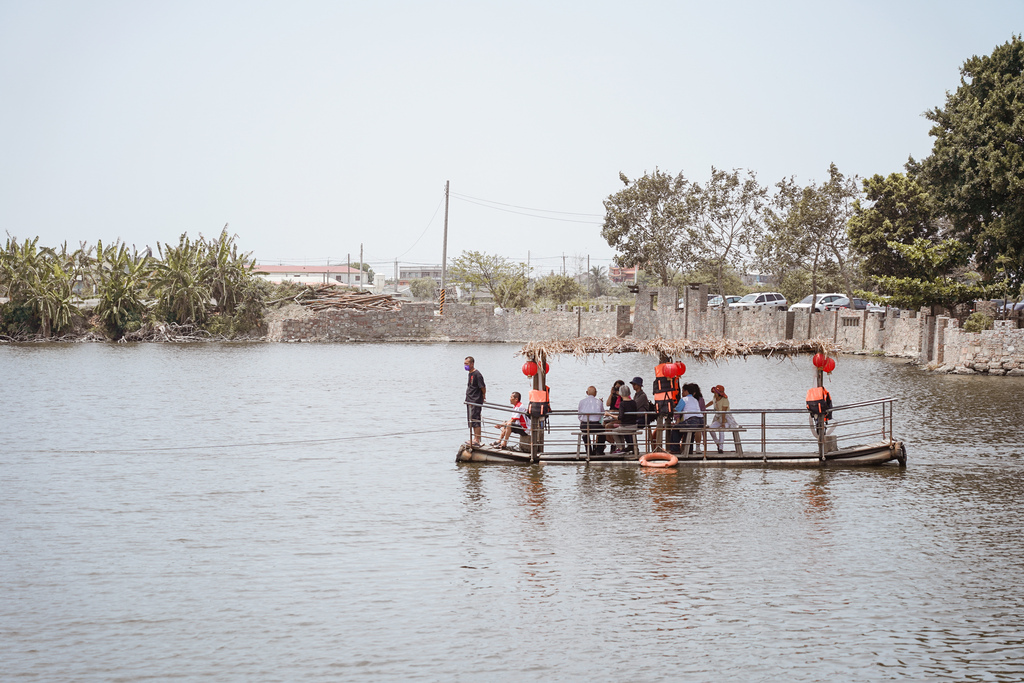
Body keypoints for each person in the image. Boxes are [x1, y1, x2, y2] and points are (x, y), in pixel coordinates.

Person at [707, 385, 739, 454]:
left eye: (715, 393)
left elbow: (724, 412)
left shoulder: (725, 400)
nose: (714, 394)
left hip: (727, 419)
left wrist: (723, 423)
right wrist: (705, 406)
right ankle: (717, 443)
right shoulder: (715, 398)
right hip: (718, 418)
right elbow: (712, 401)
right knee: (710, 428)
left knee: (721, 429)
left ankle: (721, 448)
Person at [672, 384, 703, 455]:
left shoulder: (684, 399)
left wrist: (670, 408)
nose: (682, 393)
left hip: (692, 421)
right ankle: (689, 450)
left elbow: (677, 410)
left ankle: (675, 449)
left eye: (683, 391)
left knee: (675, 428)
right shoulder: (695, 400)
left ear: (686, 391)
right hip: (701, 421)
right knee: (689, 431)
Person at [577, 386, 605, 455]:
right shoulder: (599, 402)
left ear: (587, 393)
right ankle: (599, 450)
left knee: (585, 434)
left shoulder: (581, 402)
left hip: (584, 425)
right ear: (595, 393)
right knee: (603, 433)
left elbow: (579, 416)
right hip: (595, 425)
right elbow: (602, 414)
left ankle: (588, 451)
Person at [465, 356, 486, 446]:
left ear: (472, 364)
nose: (466, 365)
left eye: (467, 364)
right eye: (465, 364)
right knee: (471, 420)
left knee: (476, 419)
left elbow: (482, 387)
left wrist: (483, 395)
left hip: (476, 400)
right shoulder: (470, 373)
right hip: (469, 400)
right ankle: (474, 438)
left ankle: (477, 439)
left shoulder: (477, 374)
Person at [614, 385, 639, 454]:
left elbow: (620, 417)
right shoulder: (633, 402)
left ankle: (621, 448)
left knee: (614, 432)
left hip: (626, 426)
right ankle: (626, 448)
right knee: (620, 430)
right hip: (634, 425)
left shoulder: (622, 404)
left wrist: (610, 415)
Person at [603, 379, 625, 448]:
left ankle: (612, 444)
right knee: (602, 424)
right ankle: (602, 443)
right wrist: (611, 393)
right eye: (616, 387)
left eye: (619, 388)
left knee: (608, 426)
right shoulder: (612, 396)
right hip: (611, 416)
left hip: (618, 418)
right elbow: (607, 404)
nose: (617, 389)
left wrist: (621, 395)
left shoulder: (624, 397)